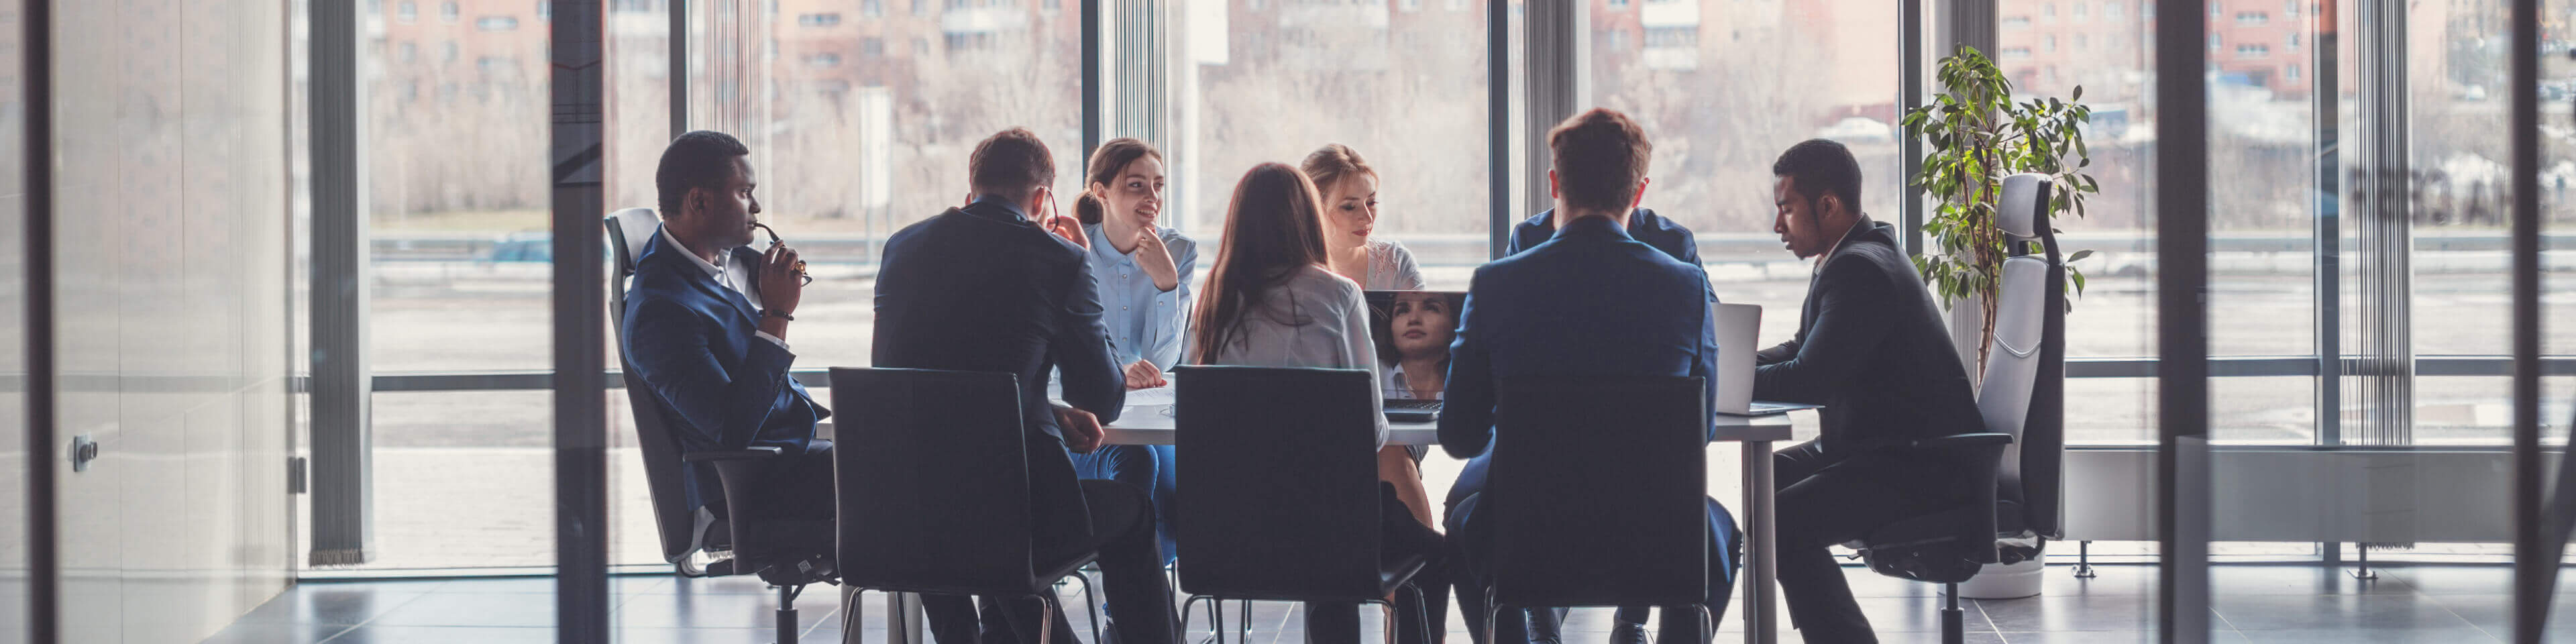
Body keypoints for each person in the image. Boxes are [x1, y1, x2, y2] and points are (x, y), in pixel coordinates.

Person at [1439, 109, 1737, 644]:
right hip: (1656, 535)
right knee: (1718, 536)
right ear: (1638, 190)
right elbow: (1702, 431)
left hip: (1526, 534)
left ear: (1555, 181)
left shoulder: (1494, 286)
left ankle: (1515, 627)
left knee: (1465, 522)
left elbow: (1459, 437)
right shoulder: (1686, 289)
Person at [875, 127, 1179, 644]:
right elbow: (1103, 399)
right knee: (1131, 515)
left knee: (990, 527)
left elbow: (922, 379)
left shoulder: (901, 246)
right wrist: (1083, 272)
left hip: (905, 509)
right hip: (1013, 513)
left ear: (972, 191)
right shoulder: (1059, 259)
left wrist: (1052, 411)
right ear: (1043, 198)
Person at [1189, 162, 1442, 644]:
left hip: (1231, 528)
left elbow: (1197, 408)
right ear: (1310, 216)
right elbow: (1367, 431)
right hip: (1330, 529)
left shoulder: (1214, 298)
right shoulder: (1338, 295)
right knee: (1410, 542)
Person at [1753, 139, 1986, 644]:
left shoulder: (1860, 269)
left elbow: (1808, 379)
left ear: (1828, 206)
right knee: (1758, 484)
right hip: (1883, 447)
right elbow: (1803, 347)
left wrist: (1728, 379)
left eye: (1786, 209)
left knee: (1780, 520)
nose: (1778, 226)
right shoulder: (1858, 253)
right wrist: (1733, 362)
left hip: (1918, 465)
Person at [1497, 144, 1705, 644]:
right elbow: (1706, 402)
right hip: (1648, 471)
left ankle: (1567, 623)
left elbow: (1474, 409)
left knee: (1474, 510)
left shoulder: (1519, 255)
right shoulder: (1679, 266)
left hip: (1540, 465)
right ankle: (1577, 625)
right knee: (1688, 511)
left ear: (1554, 184)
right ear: (1638, 189)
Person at [621, 130, 833, 581]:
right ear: (699, 202)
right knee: (909, 479)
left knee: (913, 454)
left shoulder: (721, 260)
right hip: (756, 482)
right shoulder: (661, 312)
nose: (755, 208)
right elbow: (732, 430)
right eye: (744, 193)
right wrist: (776, 315)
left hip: (790, 448)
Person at [1301, 145, 1454, 643]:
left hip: (1391, 414)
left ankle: (1406, 628)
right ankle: (1414, 605)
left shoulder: (1394, 262)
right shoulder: (1296, 274)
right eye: (1350, 205)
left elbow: (1423, 344)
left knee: (1387, 450)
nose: (1366, 216)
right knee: (1377, 459)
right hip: (1317, 427)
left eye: (1372, 203)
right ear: (1315, 207)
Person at [1061, 137, 1195, 566]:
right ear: (1101, 193)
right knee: (1140, 470)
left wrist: (1165, 284)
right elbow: (1058, 355)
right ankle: (1130, 611)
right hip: (1089, 419)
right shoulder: (1069, 252)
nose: (1152, 197)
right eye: (1136, 185)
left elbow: (1164, 360)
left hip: (1151, 415)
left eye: (1158, 185)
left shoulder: (1178, 251)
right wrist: (1117, 370)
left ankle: (1132, 609)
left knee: (1171, 496)